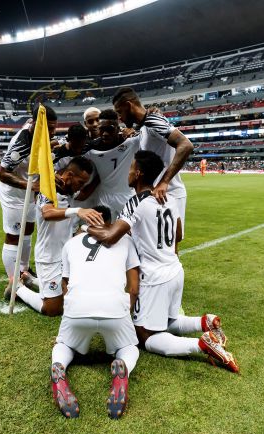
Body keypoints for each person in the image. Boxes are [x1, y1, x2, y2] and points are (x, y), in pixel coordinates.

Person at [88, 151, 239, 373]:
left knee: (145, 335)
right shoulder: (169, 197)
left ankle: (202, 344)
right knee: (168, 320)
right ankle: (205, 322)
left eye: (130, 168)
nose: (128, 173)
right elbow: (178, 232)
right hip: (175, 270)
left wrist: (87, 228)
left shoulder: (135, 203)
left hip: (154, 277)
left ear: (138, 173)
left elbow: (111, 237)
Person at [50, 205, 141, 419]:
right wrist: (125, 311)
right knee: (129, 348)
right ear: (111, 222)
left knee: (64, 345)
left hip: (77, 310)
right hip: (115, 309)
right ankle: (123, 367)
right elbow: (134, 287)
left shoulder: (71, 244)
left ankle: (58, 365)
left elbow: (66, 285)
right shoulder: (126, 240)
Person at [10, 156, 104, 317]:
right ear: (69, 175)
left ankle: (30, 280)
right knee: (53, 309)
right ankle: (16, 288)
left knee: (72, 299)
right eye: (80, 182)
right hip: (49, 257)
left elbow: (85, 191)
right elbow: (47, 213)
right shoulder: (48, 188)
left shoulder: (69, 191)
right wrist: (78, 211)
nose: (80, 187)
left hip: (65, 256)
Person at [112, 87, 194, 241]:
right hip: (153, 194)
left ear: (129, 105)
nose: (120, 118)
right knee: (150, 243)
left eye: (120, 112)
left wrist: (164, 182)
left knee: (170, 244)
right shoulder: (145, 126)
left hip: (168, 193)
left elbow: (186, 145)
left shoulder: (153, 121)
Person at [0, 105, 57, 286]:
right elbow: (3, 174)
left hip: (30, 193)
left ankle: (23, 269)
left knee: (28, 230)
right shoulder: (22, 145)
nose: (53, 133)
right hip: (14, 195)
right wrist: (32, 185)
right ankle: (13, 280)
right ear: (36, 125)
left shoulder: (36, 131)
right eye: (50, 128)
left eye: (55, 128)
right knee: (14, 235)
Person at [79, 109, 139, 215]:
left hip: (128, 196)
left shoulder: (131, 142)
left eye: (110, 129)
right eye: (102, 129)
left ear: (118, 128)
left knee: (133, 230)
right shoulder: (91, 148)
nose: (105, 134)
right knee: (104, 230)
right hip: (104, 198)